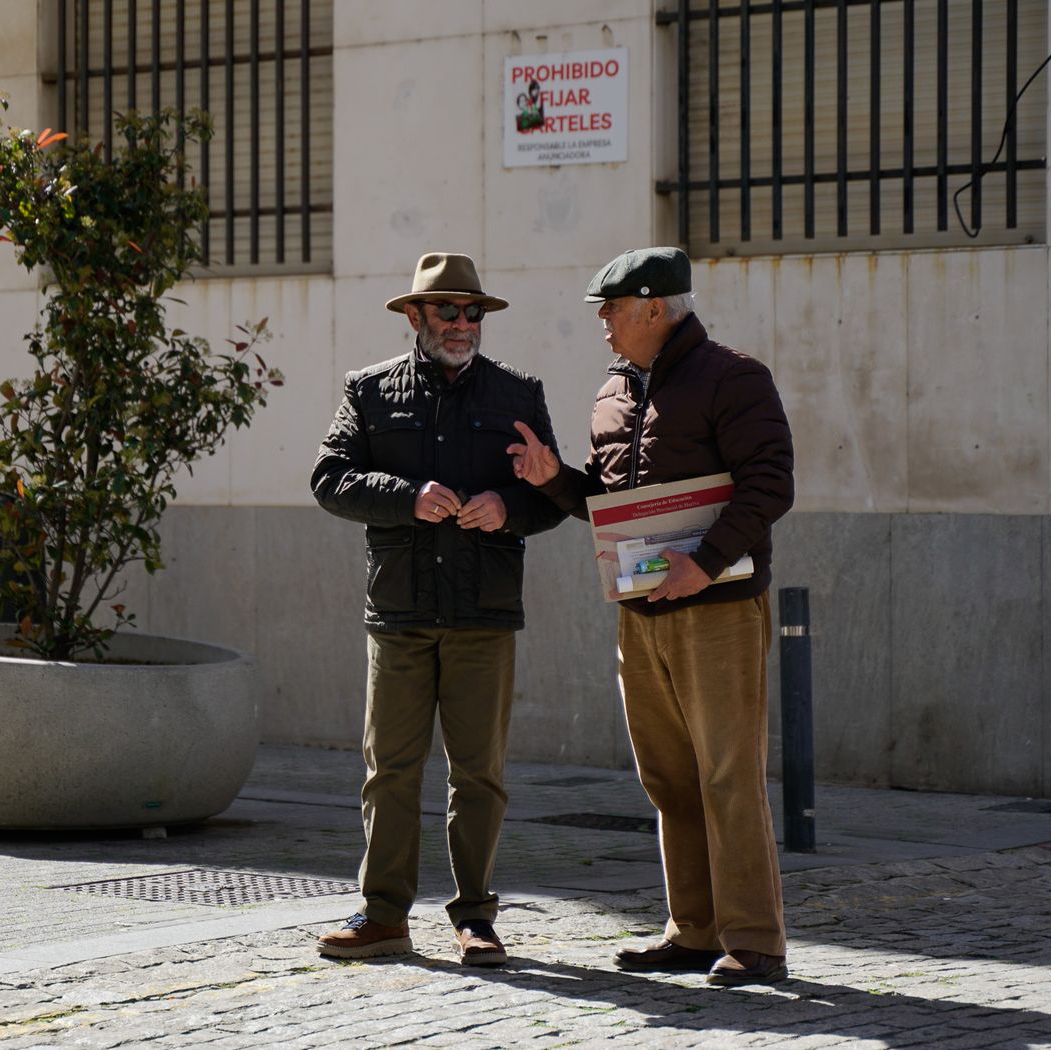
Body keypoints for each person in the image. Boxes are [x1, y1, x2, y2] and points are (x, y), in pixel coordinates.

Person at [508, 246, 795, 986]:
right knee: (668, 777)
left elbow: (769, 484)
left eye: (609, 308)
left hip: (719, 608)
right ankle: (693, 930)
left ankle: (754, 939)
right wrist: (553, 482)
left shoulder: (734, 377)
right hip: (640, 612)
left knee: (729, 774)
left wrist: (705, 560)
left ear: (652, 308)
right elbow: (607, 508)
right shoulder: (611, 391)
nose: (602, 323)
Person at [311, 252, 567, 967]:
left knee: (478, 772)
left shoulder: (519, 393)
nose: (462, 323)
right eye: (448, 311)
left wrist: (507, 507)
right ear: (415, 317)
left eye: (472, 311)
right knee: (389, 770)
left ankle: (476, 918)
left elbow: (552, 496)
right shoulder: (368, 391)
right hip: (398, 610)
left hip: (483, 613)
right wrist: (407, 498)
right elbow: (329, 479)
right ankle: (384, 916)